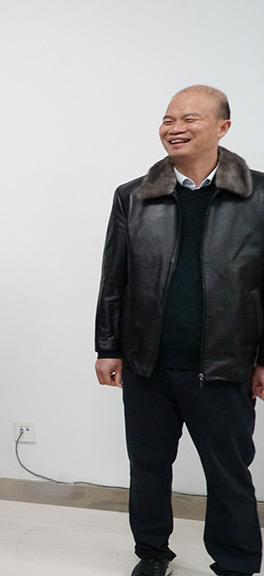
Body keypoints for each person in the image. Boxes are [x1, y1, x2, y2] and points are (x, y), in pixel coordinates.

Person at [95, 85, 264, 576]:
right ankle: (152, 553)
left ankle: (235, 565)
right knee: (148, 468)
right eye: (168, 119)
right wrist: (108, 346)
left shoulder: (258, 196)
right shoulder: (133, 197)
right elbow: (114, 278)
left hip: (225, 365)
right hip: (147, 364)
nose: (175, 128)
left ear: (223, 127)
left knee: (229, 474)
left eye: (190, 118)